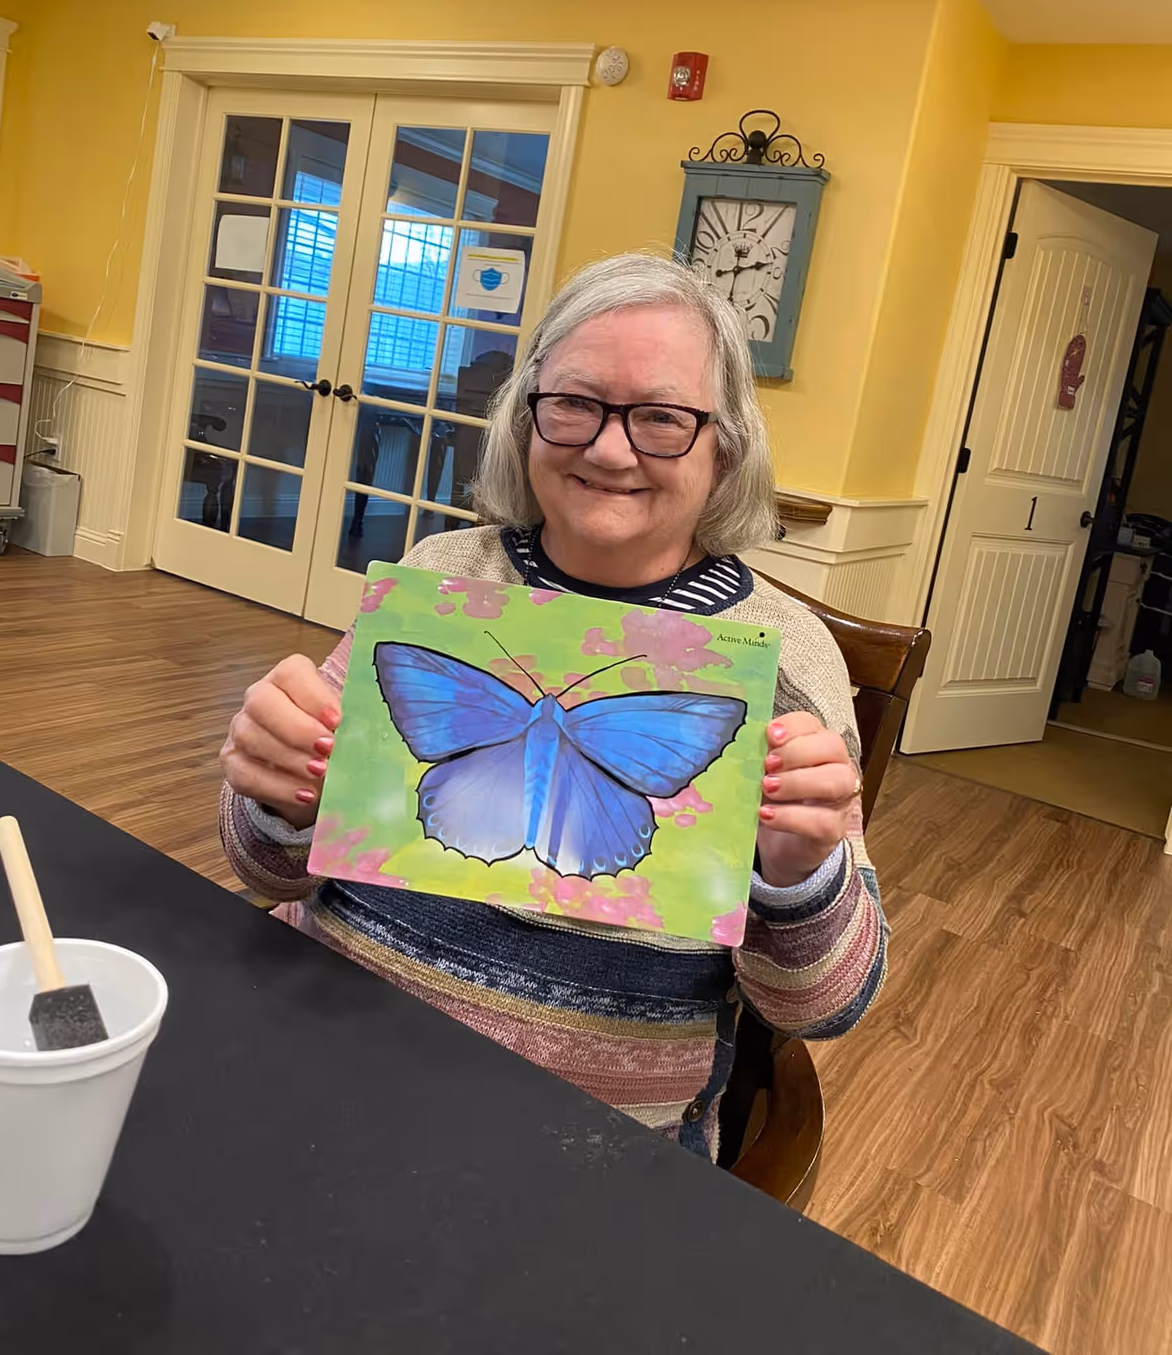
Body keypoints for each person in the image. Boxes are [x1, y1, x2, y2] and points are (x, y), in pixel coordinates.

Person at [219, 254, 886, 1158]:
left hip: (581, 1156)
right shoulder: (437, 582)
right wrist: (278, 796)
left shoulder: (784, 662)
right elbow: (268, 871)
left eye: (662, 417)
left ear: (724, 449)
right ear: (526, 416)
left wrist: (800, 877)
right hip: (319, 1063)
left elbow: (824, 1005)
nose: (608, 450)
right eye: (573, 403)